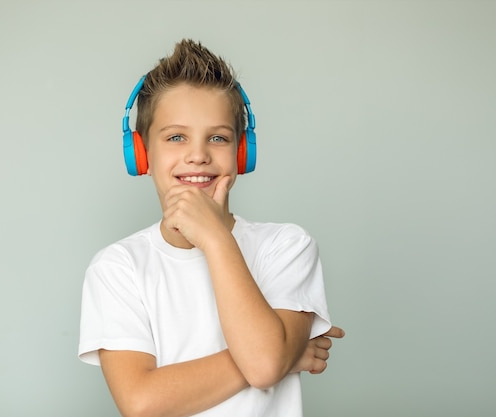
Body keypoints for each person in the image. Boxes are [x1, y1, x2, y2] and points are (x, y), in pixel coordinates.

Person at [78, 38, 344, 417]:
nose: (198, 154)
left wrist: (216, 238)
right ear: (141, 155)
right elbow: (142, 404)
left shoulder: (286, 246)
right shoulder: (117, 268)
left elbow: (266, 366)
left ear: (241, 153)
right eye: (175, 137)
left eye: (218, 137)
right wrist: (285, 354)